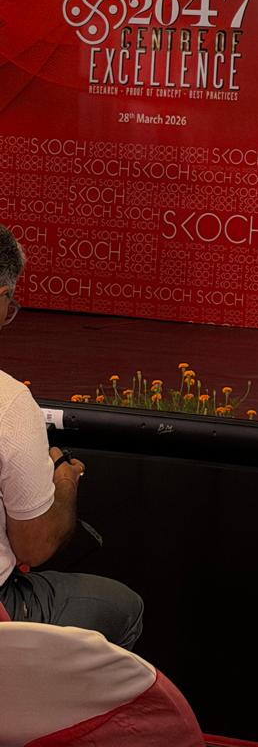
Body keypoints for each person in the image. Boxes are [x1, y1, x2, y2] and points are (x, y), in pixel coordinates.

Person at [0, 225, 143, 647]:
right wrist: (65, 480)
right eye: (10, 303)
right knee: (124, 606)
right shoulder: (8, 401)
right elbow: (34, 547)